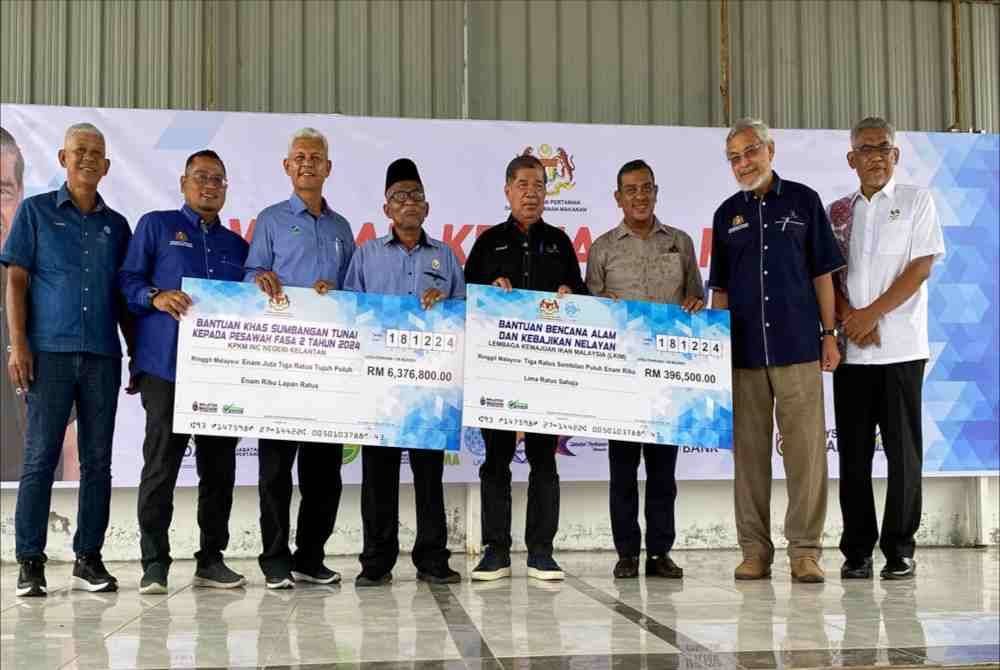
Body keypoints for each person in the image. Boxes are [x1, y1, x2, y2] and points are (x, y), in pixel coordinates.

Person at [708, 117, 844, 583]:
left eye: (749, 153)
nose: (743, 164)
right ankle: (754, 551)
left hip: (798, 347)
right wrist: (714, 349)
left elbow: (823, 275)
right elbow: (720, 290)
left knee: (807, 454)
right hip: (743, 355)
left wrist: (830, 334)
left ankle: (805, 551)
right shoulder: (726, 214)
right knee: (748, 457)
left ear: (770, 150)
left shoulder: (805, 201)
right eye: (734, 158)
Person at [2, 123, 133, 596]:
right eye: (80, 151)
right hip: (49, 356)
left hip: (101, 356)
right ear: (62, 158)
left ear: (107, 165)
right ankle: (30, 561)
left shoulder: (117, 227)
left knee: (97, 463)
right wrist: (18, 346)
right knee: (39, 459)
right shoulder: (35, 213)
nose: (88, 159)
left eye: (97, 153)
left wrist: (136, 353)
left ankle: (88, 559)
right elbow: (15, 281)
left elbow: (123, 297)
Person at [119, 150, 250, 593]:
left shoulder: (237, 246)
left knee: (219, 471)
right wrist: (155, 295)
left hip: (219, 376)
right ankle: (154, 563)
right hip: (164, 368)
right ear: (183, 182)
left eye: (218, 178)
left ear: (226, 188)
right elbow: (127, 281)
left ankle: (211, 560)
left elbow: (251, 309)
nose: (209, 185)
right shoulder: (155, 225)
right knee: (160, 468)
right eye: (200, 177)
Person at [829, 116, 945, 581]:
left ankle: (900, 547)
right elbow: (827, 275)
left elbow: (920, 269)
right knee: (853, 456)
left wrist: (870, 315)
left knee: (904, 454)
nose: (875, 155)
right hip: (852, 353)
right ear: (851, 158)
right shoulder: (838, 211)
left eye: (884, 148)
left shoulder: (918, 202)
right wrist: (848, 318)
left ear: (895, 155)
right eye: (866, 148)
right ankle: (856, 550)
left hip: (901, 348)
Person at [463, 154, 587, 582]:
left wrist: (572, 292)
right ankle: (495, 551)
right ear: (507, 190)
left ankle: (541, 552)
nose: (531, 192)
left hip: (546, 372)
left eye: (538, 185)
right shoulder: (487, 242)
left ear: (546, 192)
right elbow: (467, 299)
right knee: (495, 460)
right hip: (498, 371)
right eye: (522, 184)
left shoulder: (560, 242)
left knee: (543, 460)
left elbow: (582, 296)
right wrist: (488, 289)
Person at [344, 158, 465, 586]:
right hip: (381, 387)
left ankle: (432, 560)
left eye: (415, 196)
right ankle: (376, 563)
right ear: (386, 209)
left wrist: (446, 305)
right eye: (400, 197)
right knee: (378, 477)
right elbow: (350, 314)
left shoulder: (446, 257)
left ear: (427, 208)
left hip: (431, 386)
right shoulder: (366, 255)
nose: (408, 203)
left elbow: (464, 317)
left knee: (429, 477)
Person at [244, 127, 355, 589]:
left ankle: (311, 556)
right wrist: (261, 277)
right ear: (287, 167)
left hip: (329, 368)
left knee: (324, 472)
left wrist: (339, 292)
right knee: (274, 469)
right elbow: (251, 274)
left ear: (328, 168)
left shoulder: (341, 228)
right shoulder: (269, 220)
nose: (308, 164)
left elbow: (354, 290)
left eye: (316, 157)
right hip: (281, 364)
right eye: (300, 157)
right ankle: (274, 558)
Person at [586, 159, 704, 579]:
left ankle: (659, 553)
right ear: (618, 198)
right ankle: (626, 553)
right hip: (621, 378)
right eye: (630, 190)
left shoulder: (681, 243)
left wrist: (694, 304)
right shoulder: (602, 249)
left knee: (662, 473)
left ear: (656, 192)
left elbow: (696, 300)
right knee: (622, 471)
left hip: (668, 378)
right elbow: (591, 314)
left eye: (646, 188)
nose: (639, 196)